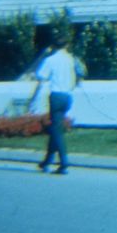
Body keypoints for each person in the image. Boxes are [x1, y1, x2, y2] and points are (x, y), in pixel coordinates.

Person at [35, 32, 82, 174]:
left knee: (57, 131)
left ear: (53, 46)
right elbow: (77, 78)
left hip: (56, 95)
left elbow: (41, 77)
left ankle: (64, 163)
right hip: (68, 96)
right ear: (67, 45)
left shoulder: (50, 60)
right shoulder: (72, 59)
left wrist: (34, 98)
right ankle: (47, 161)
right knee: (56, 129)